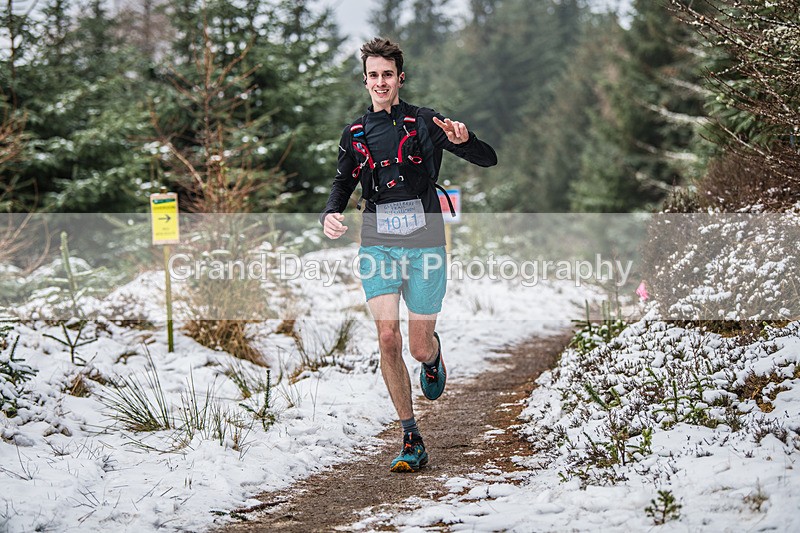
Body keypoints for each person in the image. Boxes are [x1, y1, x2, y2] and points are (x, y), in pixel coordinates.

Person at [320, 37, 497, 472]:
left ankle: (433, 357)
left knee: (416, 347)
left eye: (387, 74)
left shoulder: (425, 122)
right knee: (387, 338)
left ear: (400, 78)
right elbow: (343, 181)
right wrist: (330, 212)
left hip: (425, 243)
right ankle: (410, 436)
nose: (380, 82)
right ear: (365, 81)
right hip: (377, 240)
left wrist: (465, 140)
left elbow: (487, 159)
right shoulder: (355, 133)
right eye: (373, 75)